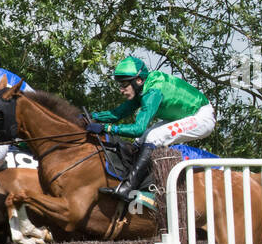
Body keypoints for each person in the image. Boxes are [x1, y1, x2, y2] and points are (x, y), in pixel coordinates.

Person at [87, 56, 216, 202]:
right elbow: (118, 113)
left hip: (202, 117)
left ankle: (129, 188)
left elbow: (138, 129)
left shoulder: (152, 92)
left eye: (124, 85)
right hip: (183, 115)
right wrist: (92, 116)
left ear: (138, 81)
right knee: (141, 140)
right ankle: (137, 179)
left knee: (152, 137)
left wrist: (106, 128)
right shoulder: (141, 88)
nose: (121, 90)